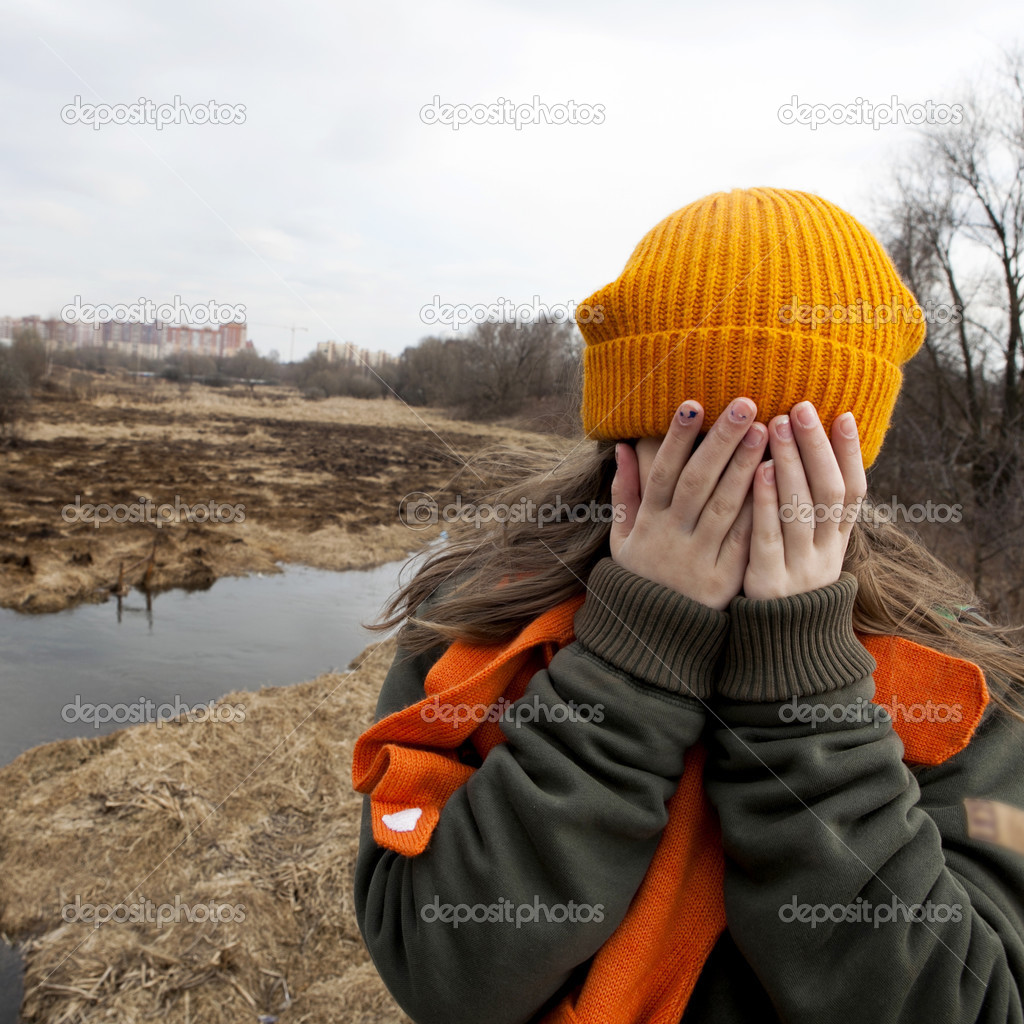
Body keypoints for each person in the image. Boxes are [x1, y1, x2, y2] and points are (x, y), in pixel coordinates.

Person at [352, 187, 1024, 1024]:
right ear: (624, 443)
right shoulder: (486, 627)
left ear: (847, 468)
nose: (732, 497)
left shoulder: (956, 687)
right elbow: (443, 971)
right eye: (695, 448)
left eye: (787, 461)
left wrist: (808, 698)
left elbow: (974, 1004)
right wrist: (629, 661)